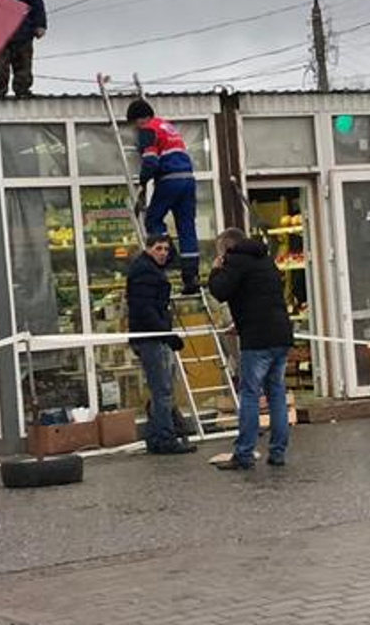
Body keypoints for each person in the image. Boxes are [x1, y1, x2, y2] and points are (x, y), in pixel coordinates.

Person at [207, 227, 293, 470]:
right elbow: (259, 297)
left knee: (250, 395)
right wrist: (240, 323)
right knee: (276, 393)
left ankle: (244, 453)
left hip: (257, 340)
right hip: (280, 334)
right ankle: (278, 451)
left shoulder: (235, 261)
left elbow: (220, 291)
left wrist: (215, 270)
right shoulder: (264, 260)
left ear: (226, 248)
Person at [126, 234, 197, 455]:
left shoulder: (150, 268)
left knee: (162, 390)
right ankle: (165, 438)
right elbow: (145, 309)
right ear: (147, 249)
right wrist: (167, 334)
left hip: (154, 335)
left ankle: (157, 437)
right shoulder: (145, 271)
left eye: (166, 249)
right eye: (159, 248)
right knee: (163, 391)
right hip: (151, 337)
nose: (164, 253)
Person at [126, 99, 201, 294]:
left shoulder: (148, 129)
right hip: (188, 180)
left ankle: (168, 256)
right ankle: (190, 276)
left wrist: (142, 183)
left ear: (139, 119)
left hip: (170, 180)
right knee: (186, 227)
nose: (135, 128)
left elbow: (151, 162)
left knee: (153, 219)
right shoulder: (167, 126)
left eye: (134, 124)